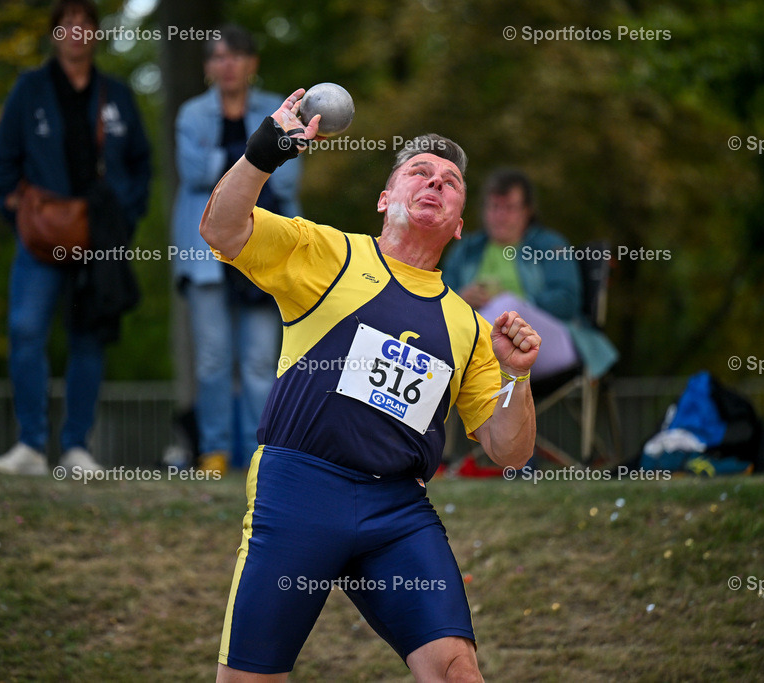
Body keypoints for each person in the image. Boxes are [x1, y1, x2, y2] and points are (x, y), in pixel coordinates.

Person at [201, 91, 540, 681]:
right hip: (299, 488)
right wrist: (263, 152)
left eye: (450, 181)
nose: (434, 182)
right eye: (419, 172)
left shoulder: (469, 326)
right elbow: (222, 229)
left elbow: (511, 450)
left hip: (396, 511)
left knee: (458, 672)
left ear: (460, 225)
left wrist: (516, 375)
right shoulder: (327, 253)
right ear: (386, 199)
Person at [0, 0, 151, 476]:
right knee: (25, 330)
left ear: (97, 34)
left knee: (89, 339)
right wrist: (12, 205)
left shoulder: (116, 94)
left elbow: (142, 161)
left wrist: (127, 215)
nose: (76, 32)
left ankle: (77, 448)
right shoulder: (29, 89)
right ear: (54, 34)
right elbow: (4, 155)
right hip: (41, 236)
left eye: (85, 24)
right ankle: (31, 447)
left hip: (98, 238)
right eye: (67, 24)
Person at [171, 25, 303, 475]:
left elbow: (286, 180)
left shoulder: (278, 110)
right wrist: (259, 157)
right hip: (204, 250)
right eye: (217, 57)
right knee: (211, 359)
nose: (226, 65)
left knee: (259, 362)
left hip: (264, 246)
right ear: (208, 67)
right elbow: (191, 172)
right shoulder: (190, 114)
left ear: (252, 64)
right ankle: (213, 451)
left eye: (235, 56)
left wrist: (231, 162)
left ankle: (258, 454)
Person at [443, 168, 617, 381]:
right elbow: (438, 300)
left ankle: (457, 360)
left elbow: (567, 301)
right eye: (494, 207)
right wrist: (461, 298)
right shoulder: (466, 249)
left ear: (527, 211)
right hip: (481, 341)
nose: (500, 216)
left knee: (507, 310)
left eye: (509, 207)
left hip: (550, 340)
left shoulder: (551, 245)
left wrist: (518, 303)